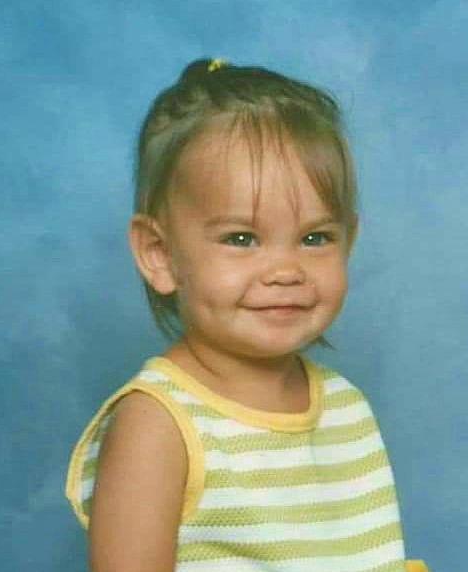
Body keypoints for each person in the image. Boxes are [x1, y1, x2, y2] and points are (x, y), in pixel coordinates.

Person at [65, 58, 429, 572]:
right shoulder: (159, 424)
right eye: (242, 238)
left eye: (315, 238)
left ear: (349, 242)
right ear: (159, 255)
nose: (285, 270)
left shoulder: (347, 407)